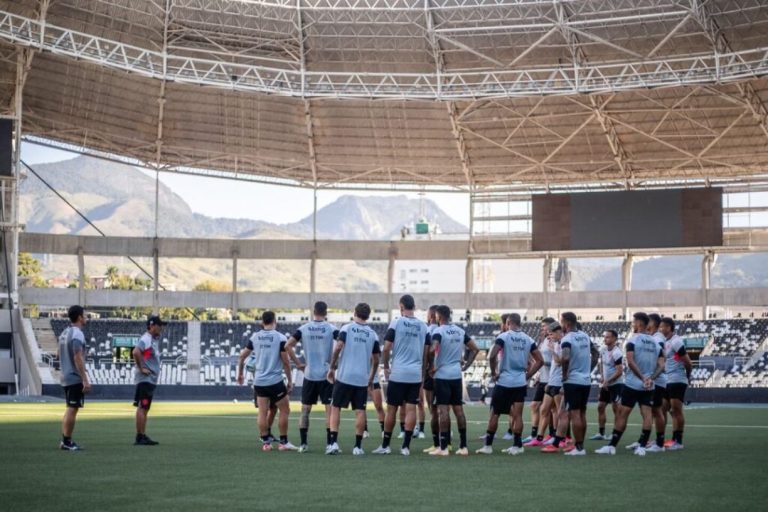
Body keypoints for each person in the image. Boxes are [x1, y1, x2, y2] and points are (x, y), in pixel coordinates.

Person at [596, 312, 665, 456]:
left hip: (633, 384)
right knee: (647, 415)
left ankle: (612, 446)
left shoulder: (633, 340)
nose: (632, 324)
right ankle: (641, 446)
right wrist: (650, 378)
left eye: (633, 322)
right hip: (649, 385)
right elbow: (661, 365)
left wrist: (641, 377)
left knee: (622, 413)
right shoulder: (655, 342)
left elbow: (630, 361)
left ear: (639, 324)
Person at [476, 313, 543, 455]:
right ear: (520, 323)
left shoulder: (504, 337)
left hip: (505, 381)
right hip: (520, 382)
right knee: (517, 415)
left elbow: (493, 355)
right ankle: (517, 446)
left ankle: (488, 446)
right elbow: (540, 361)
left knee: (495, 413)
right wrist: (528, 375)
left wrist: (494, 373)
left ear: (508, 323)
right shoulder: (528, 339)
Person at [374, 294, 430, 456]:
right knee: (412, 409)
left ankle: (385, 445)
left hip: (398, 373)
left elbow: (386, 348)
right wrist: (423, 370)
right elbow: (426, 352)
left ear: (401, 307)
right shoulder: (423, 326)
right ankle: (405, 447)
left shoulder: (397, 322)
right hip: (415, 374)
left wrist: (385, 366)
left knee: (392, 410)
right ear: (414, 306)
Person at [237, 311, 296, 452]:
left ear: (262, 322)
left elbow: (242, 356)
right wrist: (290, 381)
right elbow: (286, 362)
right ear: (275, 321)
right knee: (285, 410)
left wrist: (240, 373)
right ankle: (283, 442)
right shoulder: (280, 338)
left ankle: (266, 444)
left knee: (262, 412)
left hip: (259, 381)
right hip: (275, 381)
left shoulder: (255, 337)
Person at [326, 303, 380, 456]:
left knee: (336, 407)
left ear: (355, 313)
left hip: (344, 376)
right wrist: (370, 377)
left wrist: (332, 367)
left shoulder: (347, 328)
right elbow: (376, 360)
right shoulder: (373, 334)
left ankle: (333, 443)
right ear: (368, 315)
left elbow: (338, 347)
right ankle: (358, 447)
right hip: (361, 379)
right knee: (360, 411)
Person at [285, 301, 338, 453]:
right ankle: (329, 444)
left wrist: (298, 364)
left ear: (313, 311)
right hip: (326, 375)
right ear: (326, 313)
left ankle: (303, 444)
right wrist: (334, 364)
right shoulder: (331, 328)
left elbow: (287, 346)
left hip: (309, 374)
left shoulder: (304, 328)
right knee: (329, 410)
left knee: (305, 410)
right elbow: (342, 343)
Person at [428, 305, 479, 456]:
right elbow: (475, 349)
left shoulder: (438, 331)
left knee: (442, 411)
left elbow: (432, 349)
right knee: (459, 411)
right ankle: (463, 446)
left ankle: (443, 448)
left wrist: (431, 365)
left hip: (442, 375)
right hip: (456, 375)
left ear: (438, 316)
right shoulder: (459, 331)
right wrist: (466, 366)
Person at [558, 312, 592, 456]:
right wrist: (588, 369)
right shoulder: (585, 336)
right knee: (582, 413)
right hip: (586, 380)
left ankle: (578, 448)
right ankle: (581, 445)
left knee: (575, 413)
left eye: (561, 322)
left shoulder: (567, 338)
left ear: (566, 323)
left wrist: (565, 374)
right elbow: (595, 354)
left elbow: (565, 358)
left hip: (573, 380)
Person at [58, 305, 91, 451]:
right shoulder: (77, 334)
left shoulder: (64, 333)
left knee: (70, 408)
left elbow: (58, 354)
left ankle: (65, 440)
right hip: (74, 377)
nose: (86, 318)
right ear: (79, 317)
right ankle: (67, 442)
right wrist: (84, 378)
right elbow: (77, 357)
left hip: (65, 376)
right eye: (84, 315)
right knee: (73, 408)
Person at [132, 315, 165, 446]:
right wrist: (142, 368)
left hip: (149, 380)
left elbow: (144, 355)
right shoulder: (146, 338)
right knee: (142, 407)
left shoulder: (151, 340)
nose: (161, 328)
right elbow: (135, 352)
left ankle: (142, 435)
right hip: (145, 380)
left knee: (145, 408)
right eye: (159, 325)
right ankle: (140, 436)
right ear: (152, 326)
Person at [660, 317, 691, 451]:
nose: (661, 329)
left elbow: (688, 362)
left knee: (676, 410)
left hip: (677, 379)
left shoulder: (676, 341)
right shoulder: (666, 342)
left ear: (670, 328)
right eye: (660, 327)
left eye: (664, 327)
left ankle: (678, 441)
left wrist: (686, 377)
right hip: (668, 380)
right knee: (662, 409)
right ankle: (662, 439)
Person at [523, 317, 555, 444]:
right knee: (536, 406)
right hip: (543, 378)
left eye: (544, 326)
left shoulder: (554, 340)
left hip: (551, 379)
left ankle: (551, 435)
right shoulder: (544, 340)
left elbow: (556, 361)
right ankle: (535, 435)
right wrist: (538, 374)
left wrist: (541, 363)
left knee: (550, 409)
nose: (542, 328)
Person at [590, 329, 624, 441]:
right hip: (605, 384)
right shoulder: (603, 349)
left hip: (616, 385)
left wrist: (608, 381)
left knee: (616, 409)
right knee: (600, 407)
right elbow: (601, 364)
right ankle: (601, 433)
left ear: (614, 338)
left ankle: (615, 433)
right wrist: (602, 377)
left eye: (608, 337)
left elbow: (619, 371)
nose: (605, 339)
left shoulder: (617, 352)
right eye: (604, 337)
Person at [646, 313, 668, 451]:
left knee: (657, 410)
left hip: (657, 380)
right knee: (651, 411)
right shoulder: (653, 337)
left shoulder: (658, 338)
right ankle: (648, 440)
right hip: (653, 379)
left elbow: (661, 357)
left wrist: (652, 377)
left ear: (652, 323)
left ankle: (659, 443)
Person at [423, 305, 440, 451]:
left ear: (432, 316)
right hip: (445, 373)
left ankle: (437, 444)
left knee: (432, 410)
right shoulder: (443, 330)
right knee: (443, 409)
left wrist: (428, 367)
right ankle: (445, 440)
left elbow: (429, 351)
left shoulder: (429, 330)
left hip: (431, 372)